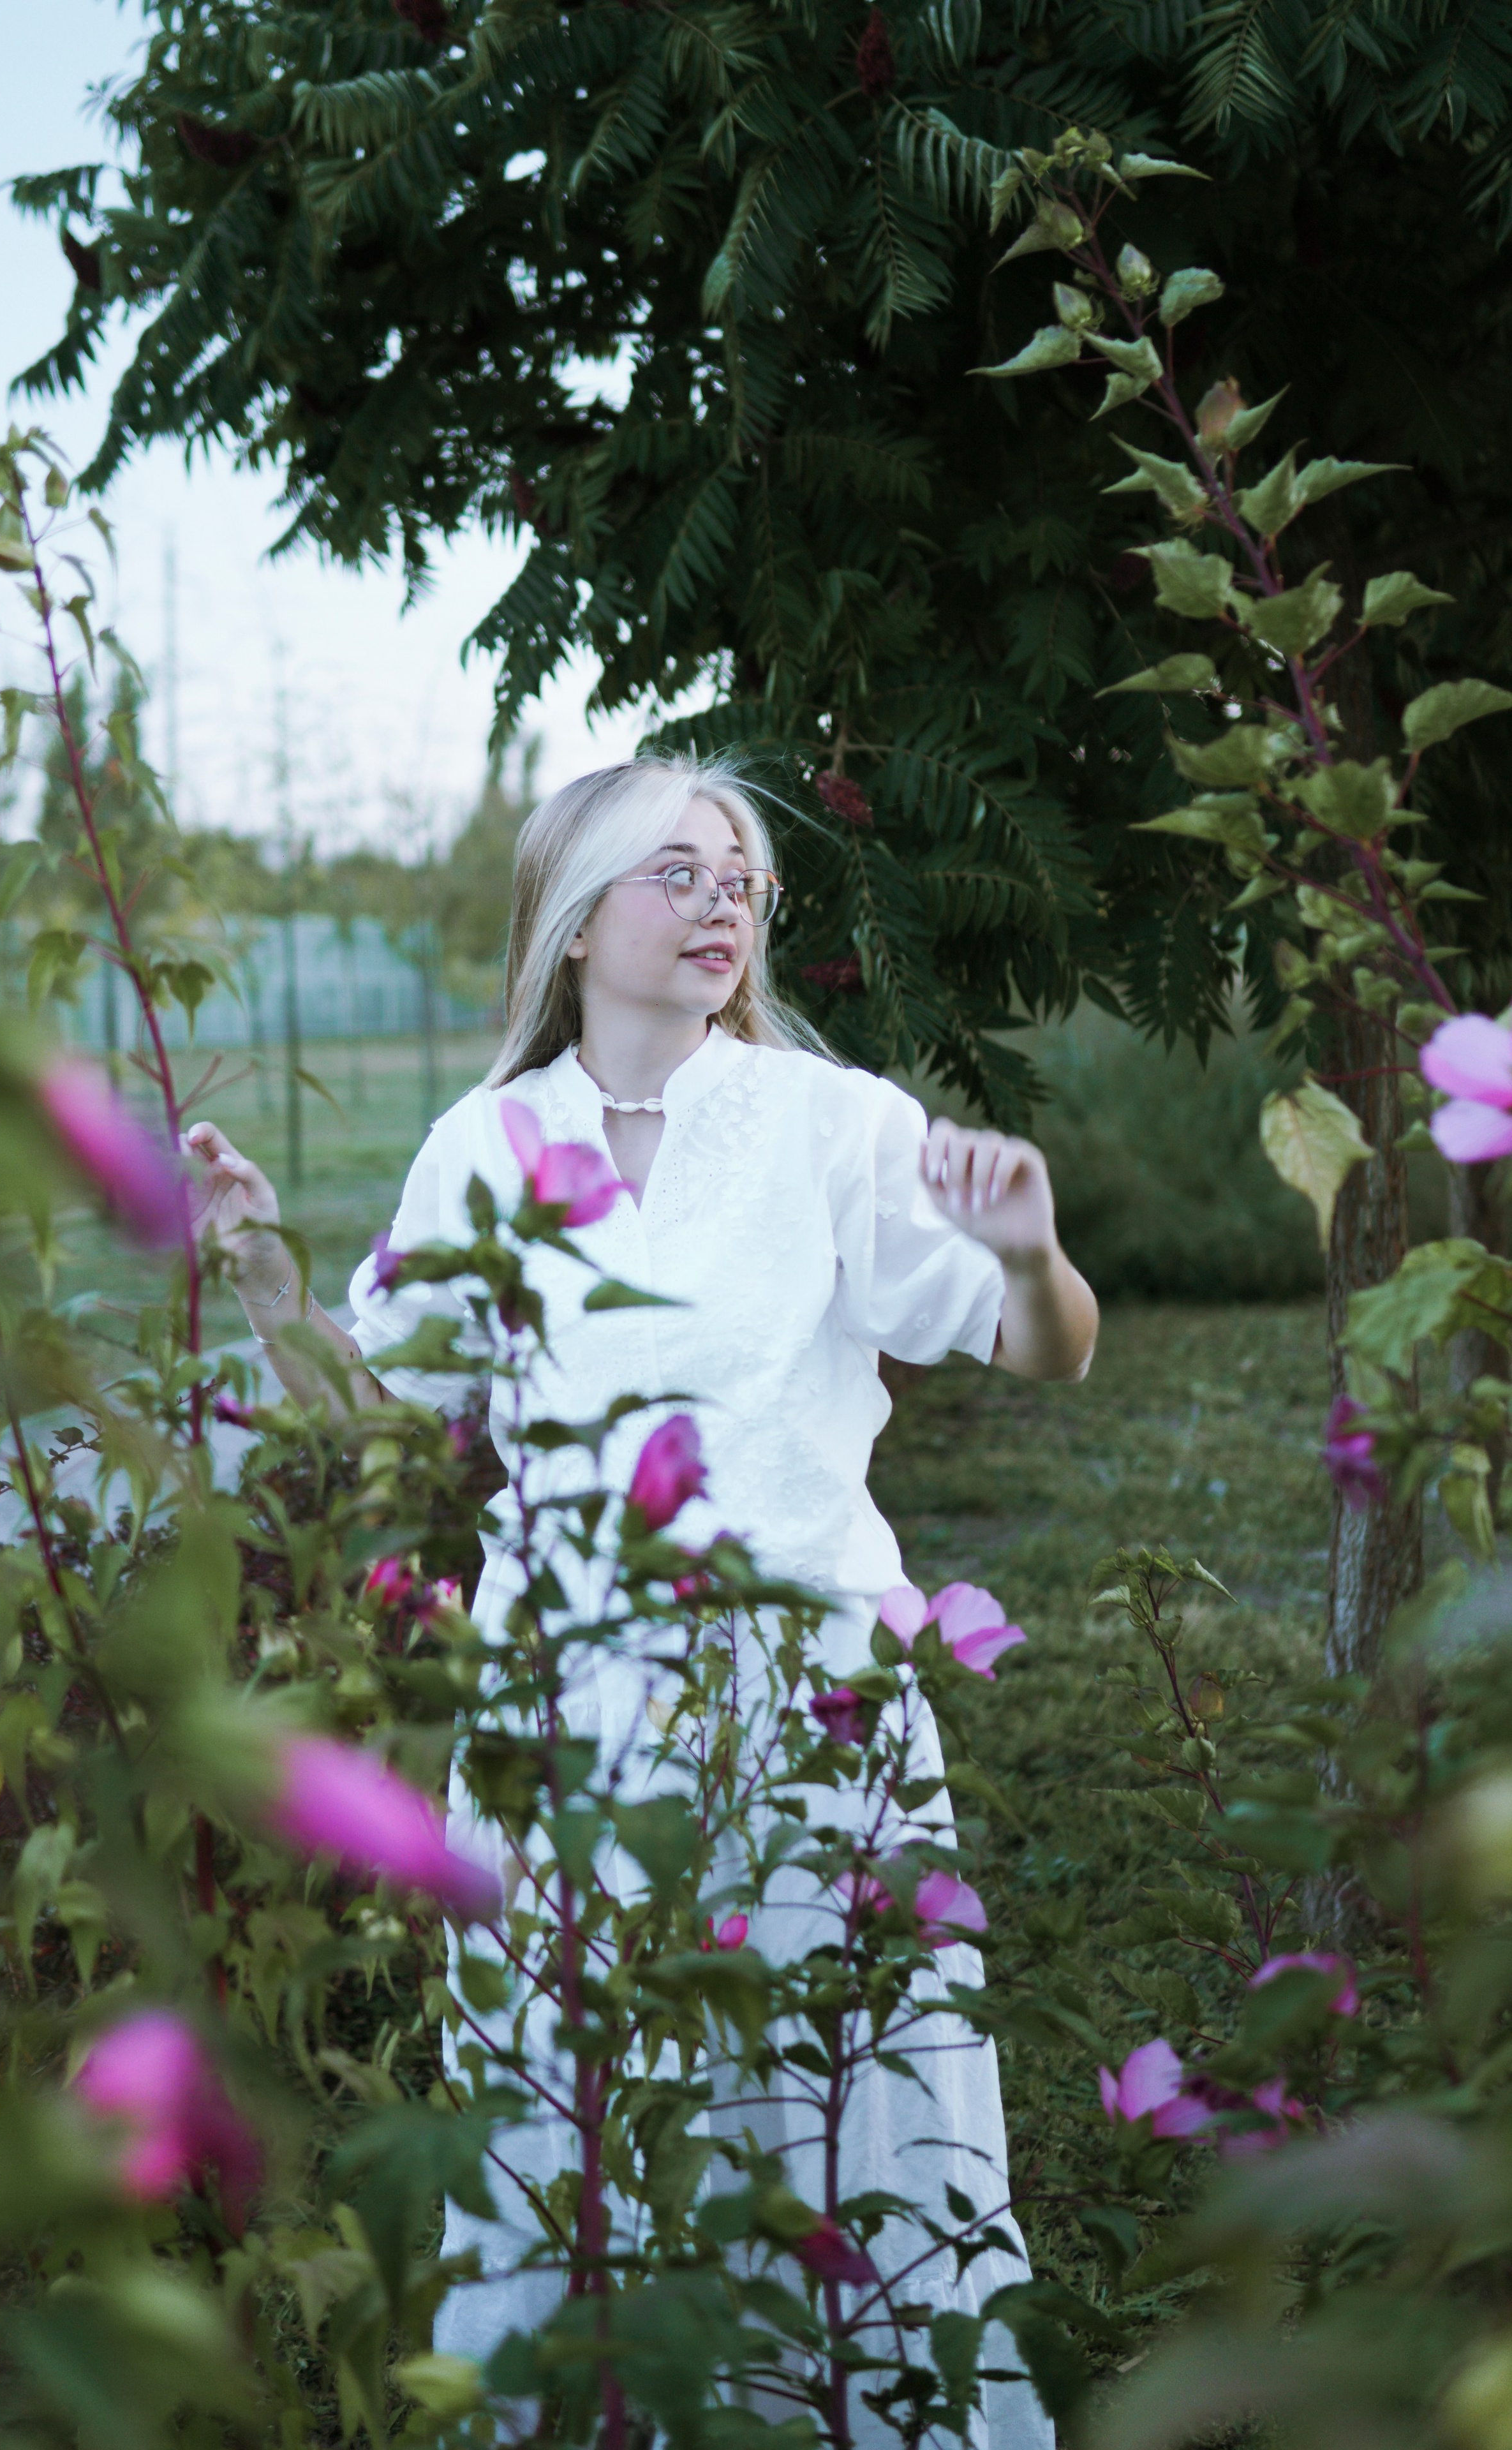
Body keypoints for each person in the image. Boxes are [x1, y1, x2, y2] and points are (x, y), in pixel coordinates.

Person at [184, 757, 1096, 2448]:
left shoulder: (835, 1125)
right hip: (568, 1710)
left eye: (740, 877)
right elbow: (387, 1427)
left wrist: (1034, 1256)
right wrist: (266, 1280)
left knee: (843, 2101)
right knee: (586, 2116)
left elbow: (1043, 1345)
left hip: (811, 1704)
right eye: (676, 871)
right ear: (575, 914)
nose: (720, 902)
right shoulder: (487, 1148)